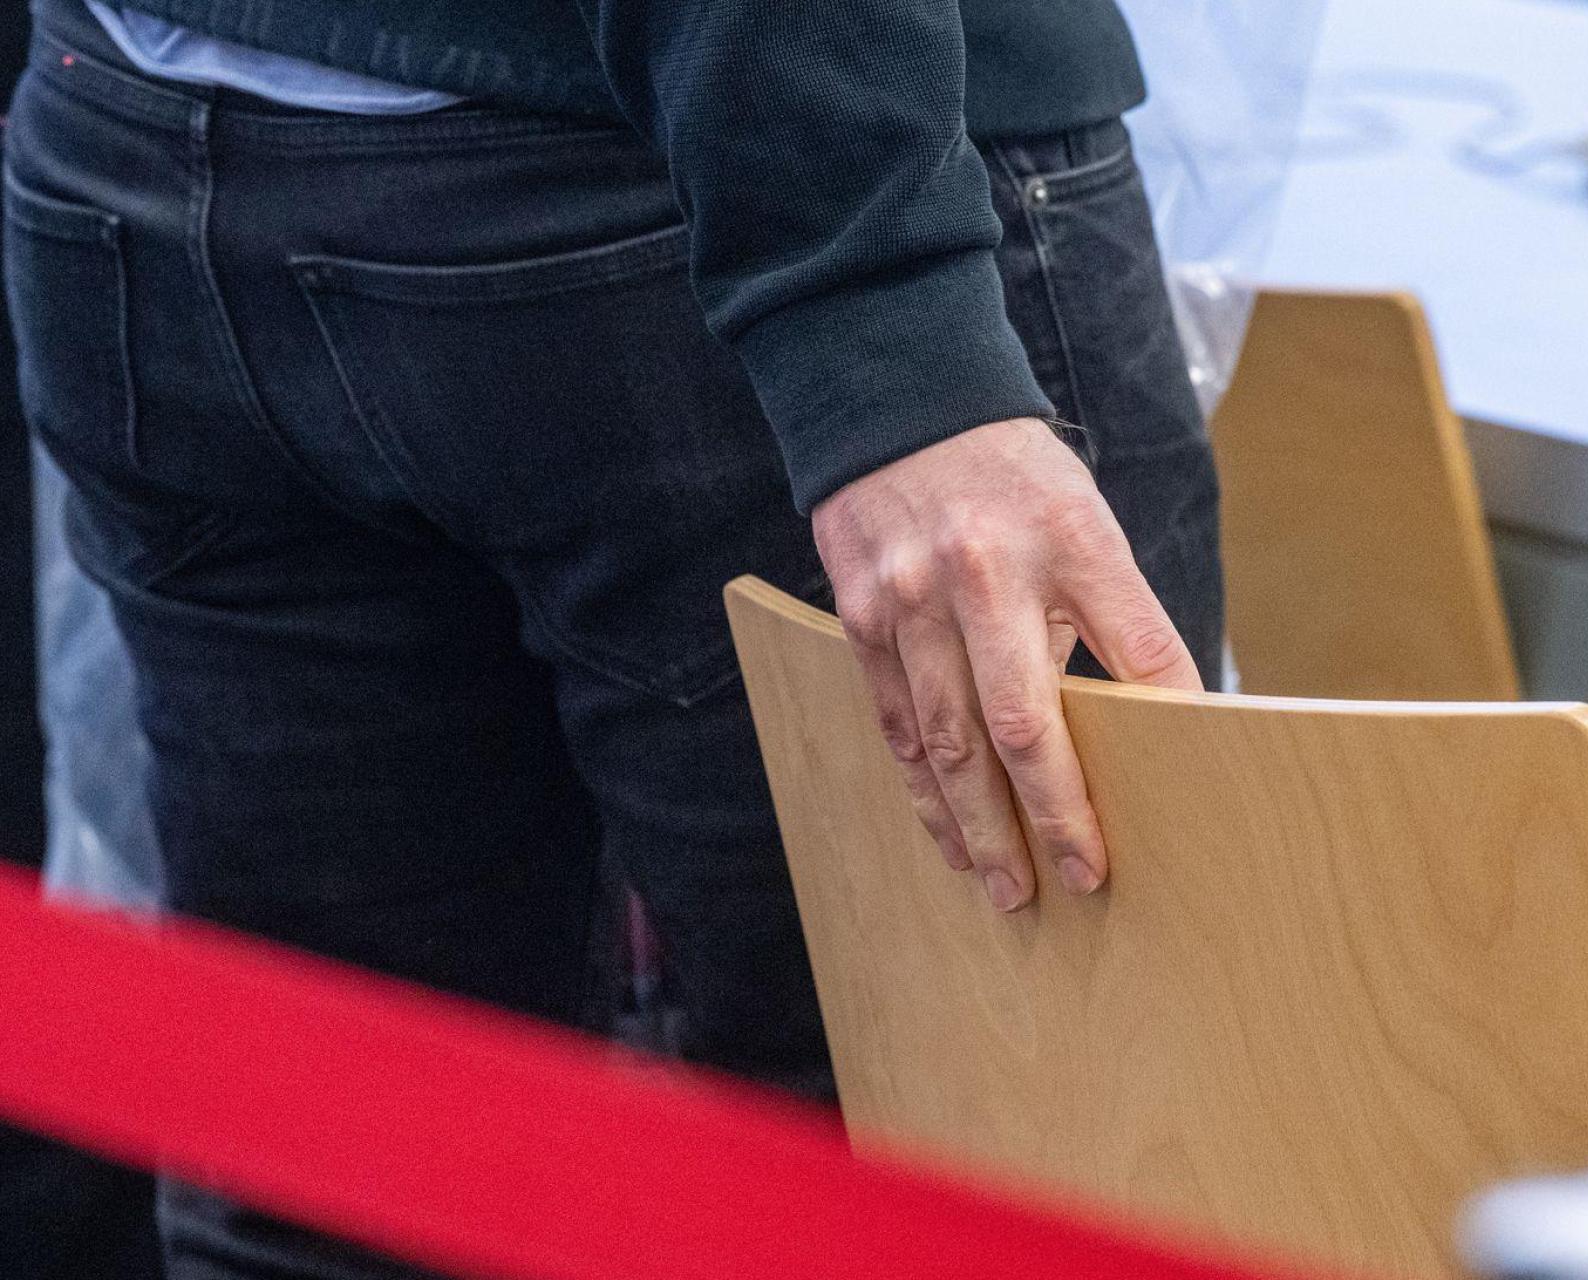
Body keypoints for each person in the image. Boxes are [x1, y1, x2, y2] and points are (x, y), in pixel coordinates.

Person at [4, 0, 1224, 1274]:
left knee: (349, 1189)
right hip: (715, 188)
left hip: (146, 149)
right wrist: (890, 331)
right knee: (995, 1171)